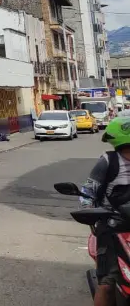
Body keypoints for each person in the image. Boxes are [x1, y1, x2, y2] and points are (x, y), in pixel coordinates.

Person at [80, 117, 130, 306]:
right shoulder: (108, 161)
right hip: (113, 227)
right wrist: (88, 211)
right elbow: (88, 192)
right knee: (107, 283)